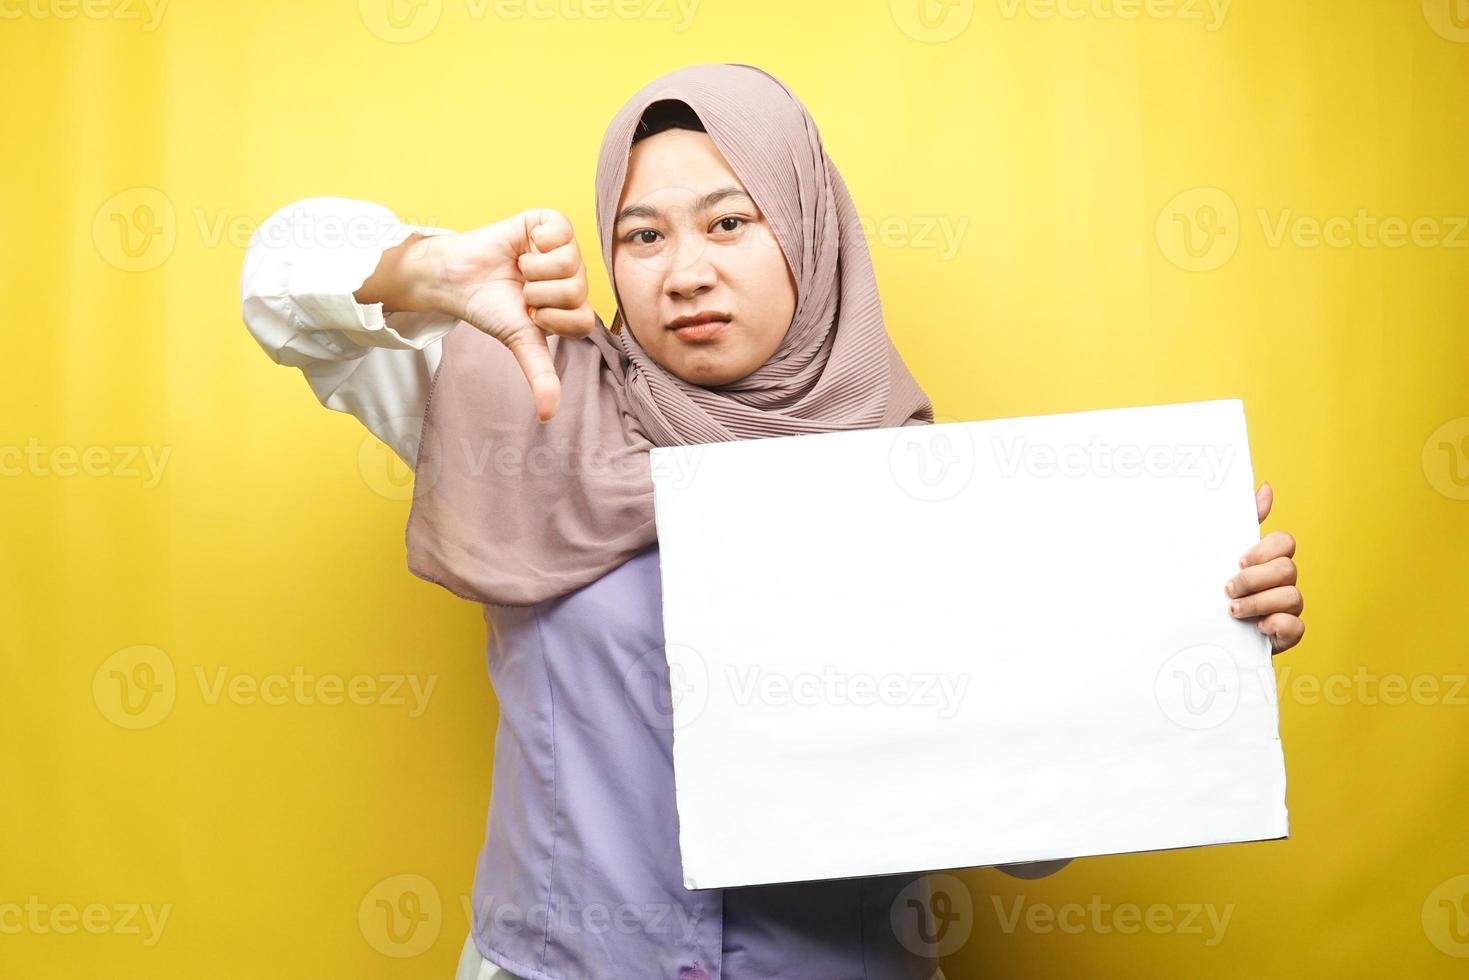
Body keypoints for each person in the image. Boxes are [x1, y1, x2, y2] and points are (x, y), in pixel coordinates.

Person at [239, 63, 1305, 980]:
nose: (685, 271)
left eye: (730, 221)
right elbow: (277, 281)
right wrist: (428, 270)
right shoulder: (521, 403)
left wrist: (1188, 631)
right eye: (641, 233)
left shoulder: (934, 492)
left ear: (807, 228)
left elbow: (1030, 844)